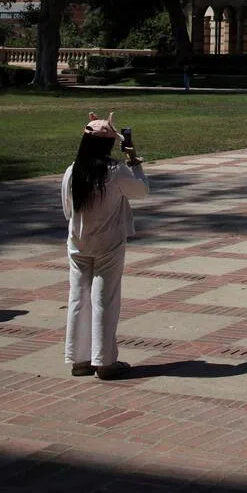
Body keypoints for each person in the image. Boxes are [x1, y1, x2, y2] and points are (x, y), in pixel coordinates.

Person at [62, 114, 150, 380]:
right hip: (108, 243)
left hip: (78, 242)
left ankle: (79, 359)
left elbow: (69, 210)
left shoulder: (72, 170)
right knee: (105, 300)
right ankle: (105, 361)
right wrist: (134, 161)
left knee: (78, 298)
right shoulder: (115, 170)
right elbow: (141, 191)